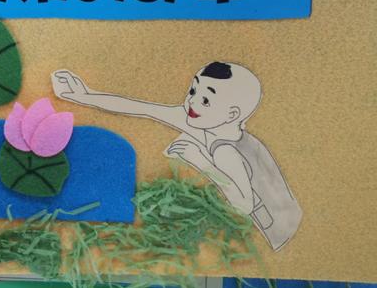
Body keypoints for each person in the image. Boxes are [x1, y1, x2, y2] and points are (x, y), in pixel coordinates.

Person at [51, 61, 302, 251]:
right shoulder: (203, 119)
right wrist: (83, 96)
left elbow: (244, 205)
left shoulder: (226, 151)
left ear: (232, 114)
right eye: (193, 90)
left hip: (276, 230)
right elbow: (142, 109)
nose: (192, 102)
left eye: (206, 100)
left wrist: (199, 160)